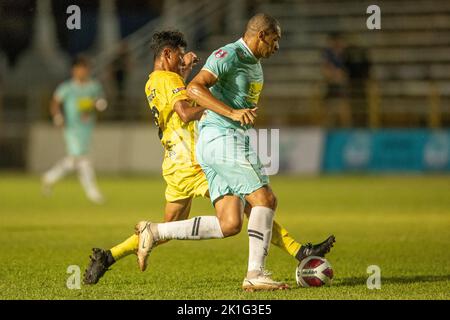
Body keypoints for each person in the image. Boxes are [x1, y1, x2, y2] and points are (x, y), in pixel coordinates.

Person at [84, 25, 334, 290]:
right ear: (166, 54)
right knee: (254, 202)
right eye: (179, 57)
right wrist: (219, 105)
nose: (184, 60)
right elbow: (184, 111)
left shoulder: (153, 82)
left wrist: (184, 72)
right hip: (194, 159)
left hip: (174, 162)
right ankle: (298, 252)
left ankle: (109, 255)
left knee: (170, 227)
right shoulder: (169, 81)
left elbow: (176, 100)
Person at [42, 56, 107, 204]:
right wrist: (58, 117)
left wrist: (99, 104)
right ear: (74, 70)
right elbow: (55, 103)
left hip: (87, 127)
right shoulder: (67, 87)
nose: (83, 72)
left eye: (85, 69)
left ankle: (49, 177)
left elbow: (100, 102)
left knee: (74, 160)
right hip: (71, 127)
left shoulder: (94, 86)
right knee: (83, 158)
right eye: (80, 69)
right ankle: (92, 192)